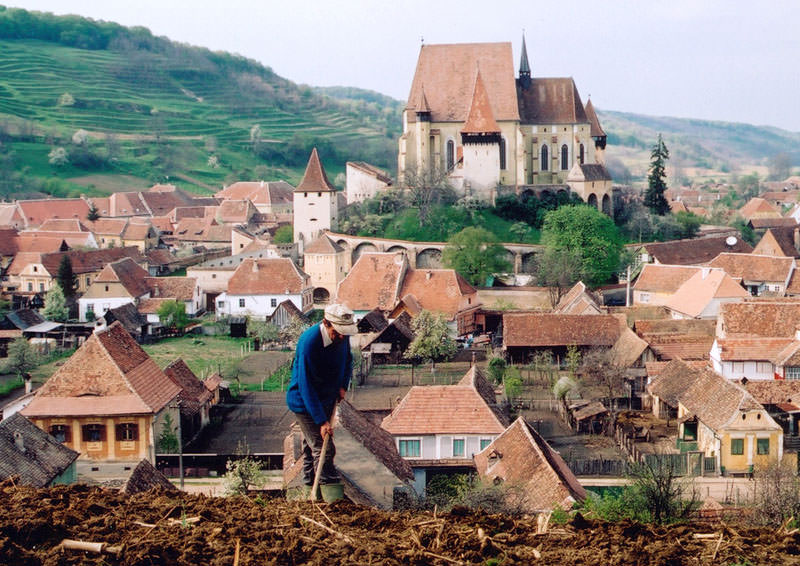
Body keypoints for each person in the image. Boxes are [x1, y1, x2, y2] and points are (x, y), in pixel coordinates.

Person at [286, 303, 357, 488]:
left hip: (327, 397)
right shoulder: (309, 343)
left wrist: (343, 385)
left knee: (311, 449)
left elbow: (348, 360)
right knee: (324, 448)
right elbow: (305, 385)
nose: (342, 336)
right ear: (326, 323)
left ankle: (309, 488)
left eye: (345, 333)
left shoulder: (343, 336)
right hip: (304, 401)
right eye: (338, 332)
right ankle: (326, 494)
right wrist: (321, 421)